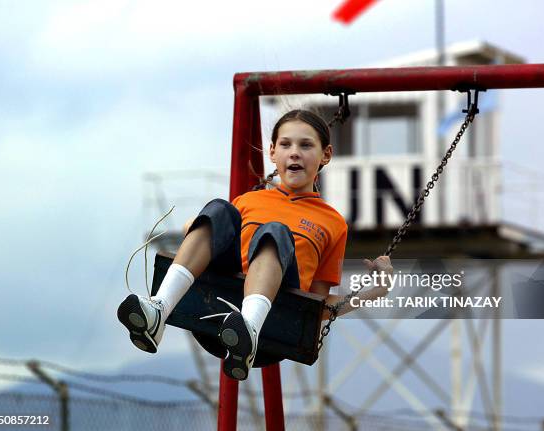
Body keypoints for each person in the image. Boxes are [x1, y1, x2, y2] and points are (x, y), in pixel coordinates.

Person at [117, 109, 392, 381]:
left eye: (306, 145)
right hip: (218, 310)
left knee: (274, 233)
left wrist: (375, 292)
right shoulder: (249, 201)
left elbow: (319, 306)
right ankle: (159, 311)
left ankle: (248, 329)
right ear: (272, 152)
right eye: (285, 144)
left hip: (276, 320)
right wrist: (202, 225)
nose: (294, 152)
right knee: (219, 209)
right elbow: (217, 235)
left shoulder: (333, 223)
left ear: (326, 155)